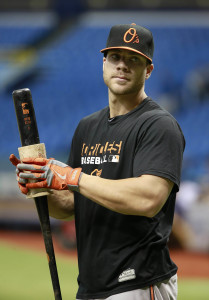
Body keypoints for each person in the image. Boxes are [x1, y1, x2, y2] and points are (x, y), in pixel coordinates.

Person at [10, 23, 185, 300]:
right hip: (92, 285)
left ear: (148, 70)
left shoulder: (158, 125)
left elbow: (148, 199)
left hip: (138, 282)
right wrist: (41, 187)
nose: (122, 66)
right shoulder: (87, 127)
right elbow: (71, 206)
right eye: (115, 57)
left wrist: (73, 177)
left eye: (133, 60)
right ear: (104, 63)